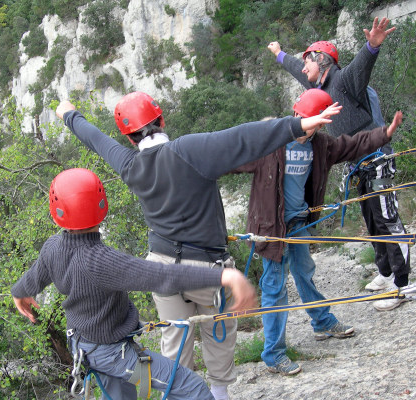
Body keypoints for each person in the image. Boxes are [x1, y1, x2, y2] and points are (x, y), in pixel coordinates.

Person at [55, 93, 340, 400]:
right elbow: (242, 138)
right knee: (218, 336)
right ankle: (218, 394)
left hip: (160, 269)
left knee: (176, 346)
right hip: (207, 270)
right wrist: (296, 126)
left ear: (128, 136)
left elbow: (95, 139)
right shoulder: (188, 150)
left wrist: (70, 115)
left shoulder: (129, 164)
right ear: (162, 120)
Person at [11, 168, 259, 400]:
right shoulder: (102, 261)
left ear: (57, 214)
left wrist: (18, 293)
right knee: (193, 388)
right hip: (113, 353)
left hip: (84, 344)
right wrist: (223, 276)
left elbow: (34, 279)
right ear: (102, 207)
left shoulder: (52, 247)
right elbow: (162, 275)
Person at [234, 89, 403, 375]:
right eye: (301, 116)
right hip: (272, 229)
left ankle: (322, 322)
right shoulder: (271, 141)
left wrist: (383, 134)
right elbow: (232, 157)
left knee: (305, 272)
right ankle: (273, 354)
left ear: (321, 122)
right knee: (275, 289)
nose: (305, 122)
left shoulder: (320, 145)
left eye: (312, 119)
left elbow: (352, 144)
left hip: (299, 222)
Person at [267, 16, 409, 312]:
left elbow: (361, 66)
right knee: (372, 221)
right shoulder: (321, 88)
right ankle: (385, 273)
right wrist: (279, 53)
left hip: (377, 159)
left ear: (324, 61)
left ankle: (402, 284)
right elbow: (297, 70)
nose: (303, 67)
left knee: (387, 220)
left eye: (309, 61)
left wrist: (372, 46)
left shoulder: (345, 81)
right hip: (359, 166)